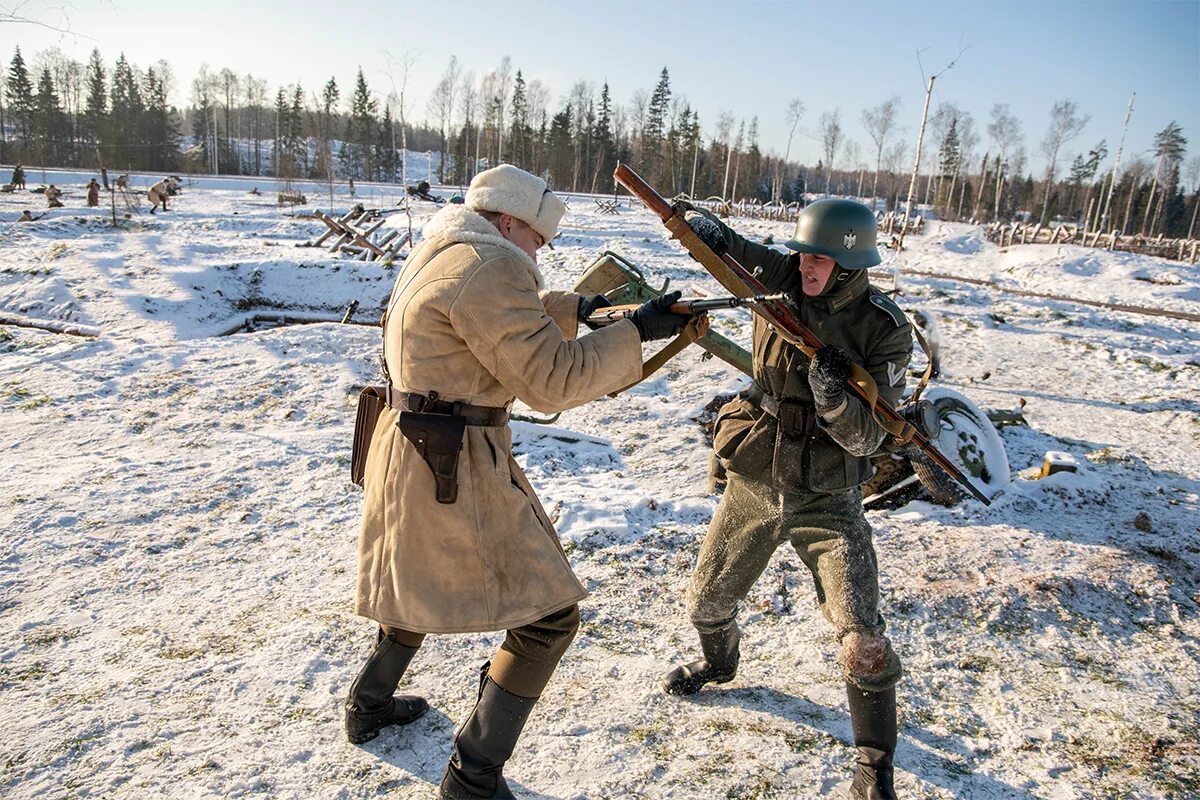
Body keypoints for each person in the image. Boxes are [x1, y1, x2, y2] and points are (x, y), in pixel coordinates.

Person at [346, 164, 694, 799]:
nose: (540, 252)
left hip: (408, 445)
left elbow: (498, 318)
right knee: (548, 618)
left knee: (416, 577)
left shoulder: (443, 250)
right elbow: (551, 380)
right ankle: (473, 778)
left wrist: (580, 308)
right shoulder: (491, 267)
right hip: (451, 459)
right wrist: (636, 331)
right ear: (509, 223)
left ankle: (367, 705)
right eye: (539, 239)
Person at [664, 199, 913, 799]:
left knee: (864, 638)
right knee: (705, 602)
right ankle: (721, 665)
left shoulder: (884, 329)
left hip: (830, 496)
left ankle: (874, 765)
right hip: (757, 477)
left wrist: (834, 401)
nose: (805, 265)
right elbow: (735, 256)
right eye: (802, 252)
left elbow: (870, 434)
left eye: (820, 258)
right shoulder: (781, 279)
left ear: (851, 263)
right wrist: (707, 233)